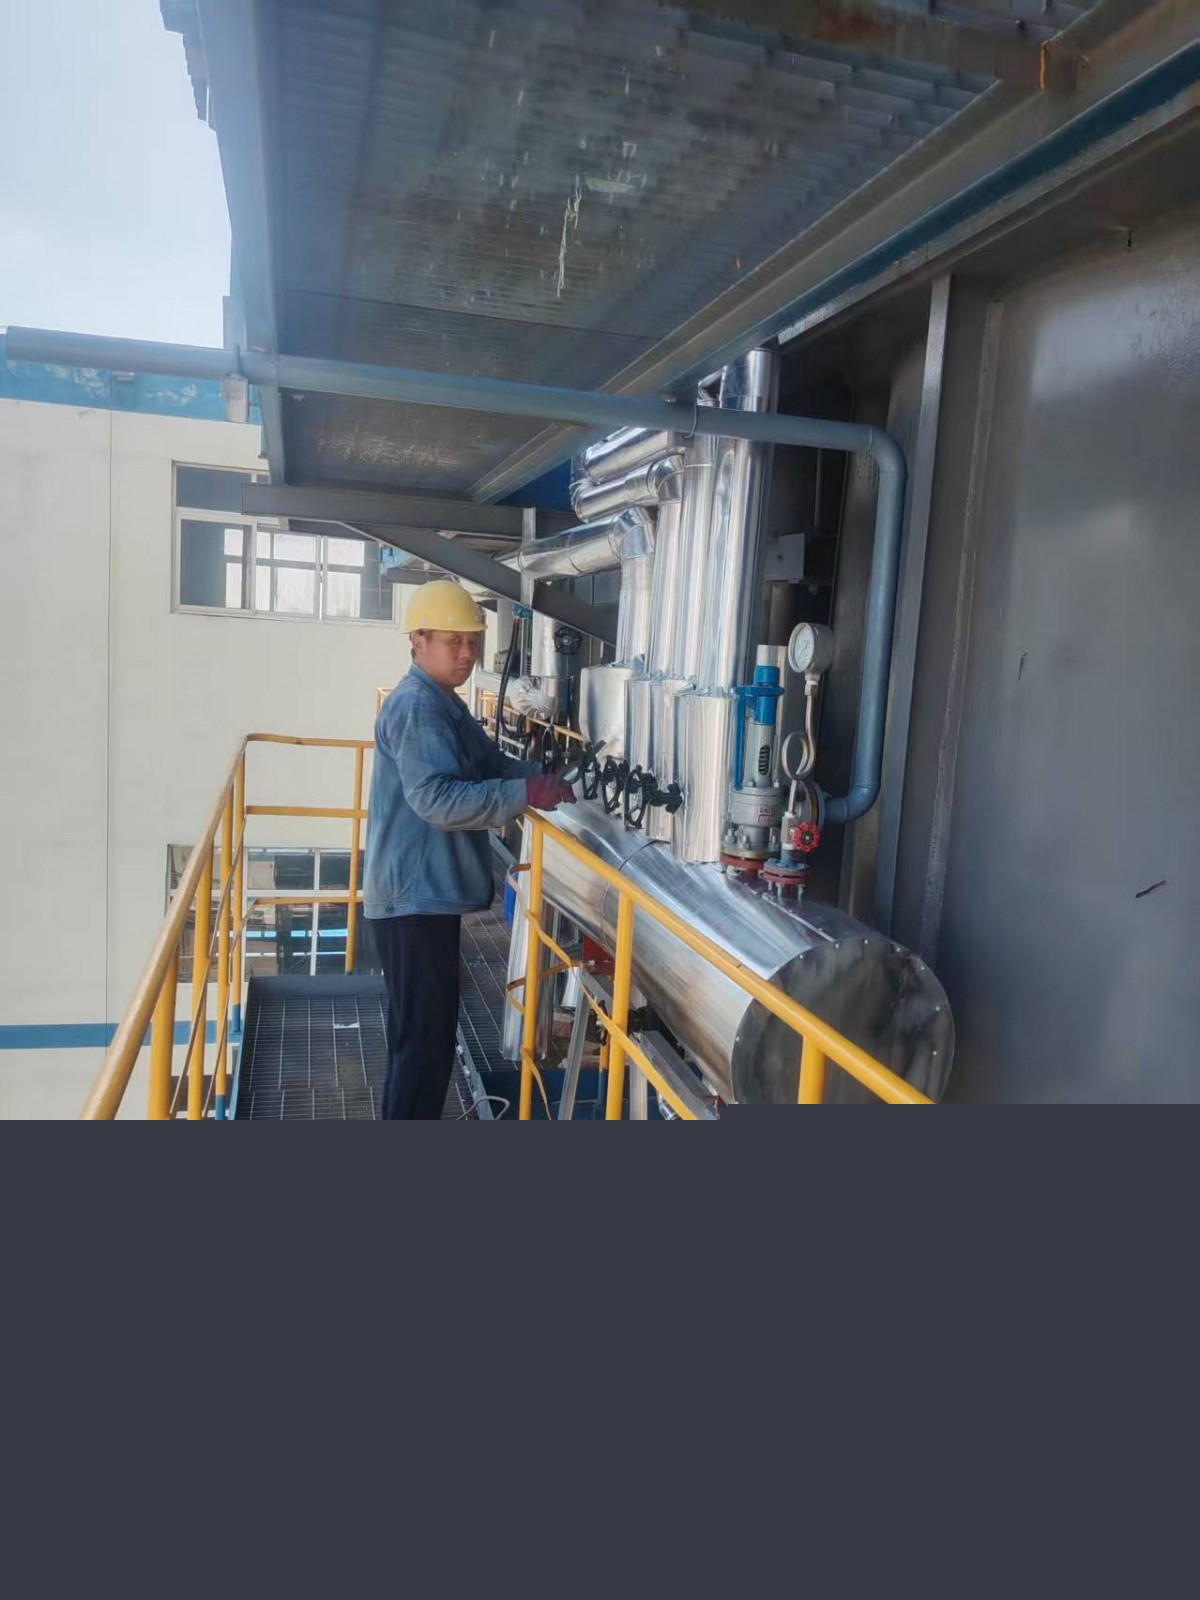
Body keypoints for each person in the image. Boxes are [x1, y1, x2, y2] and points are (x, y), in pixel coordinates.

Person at [364, 580, 575, 1119]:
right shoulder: (418, 707)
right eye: (453, 641)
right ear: (418, 641)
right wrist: (526, 793)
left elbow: (490, 765)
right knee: (423, 1045)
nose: (467, 653)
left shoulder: (443, 703)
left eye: (473, 641)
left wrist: (543, 778)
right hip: (413, 900)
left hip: (422, 897)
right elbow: (436, 799)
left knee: (421, 1039)